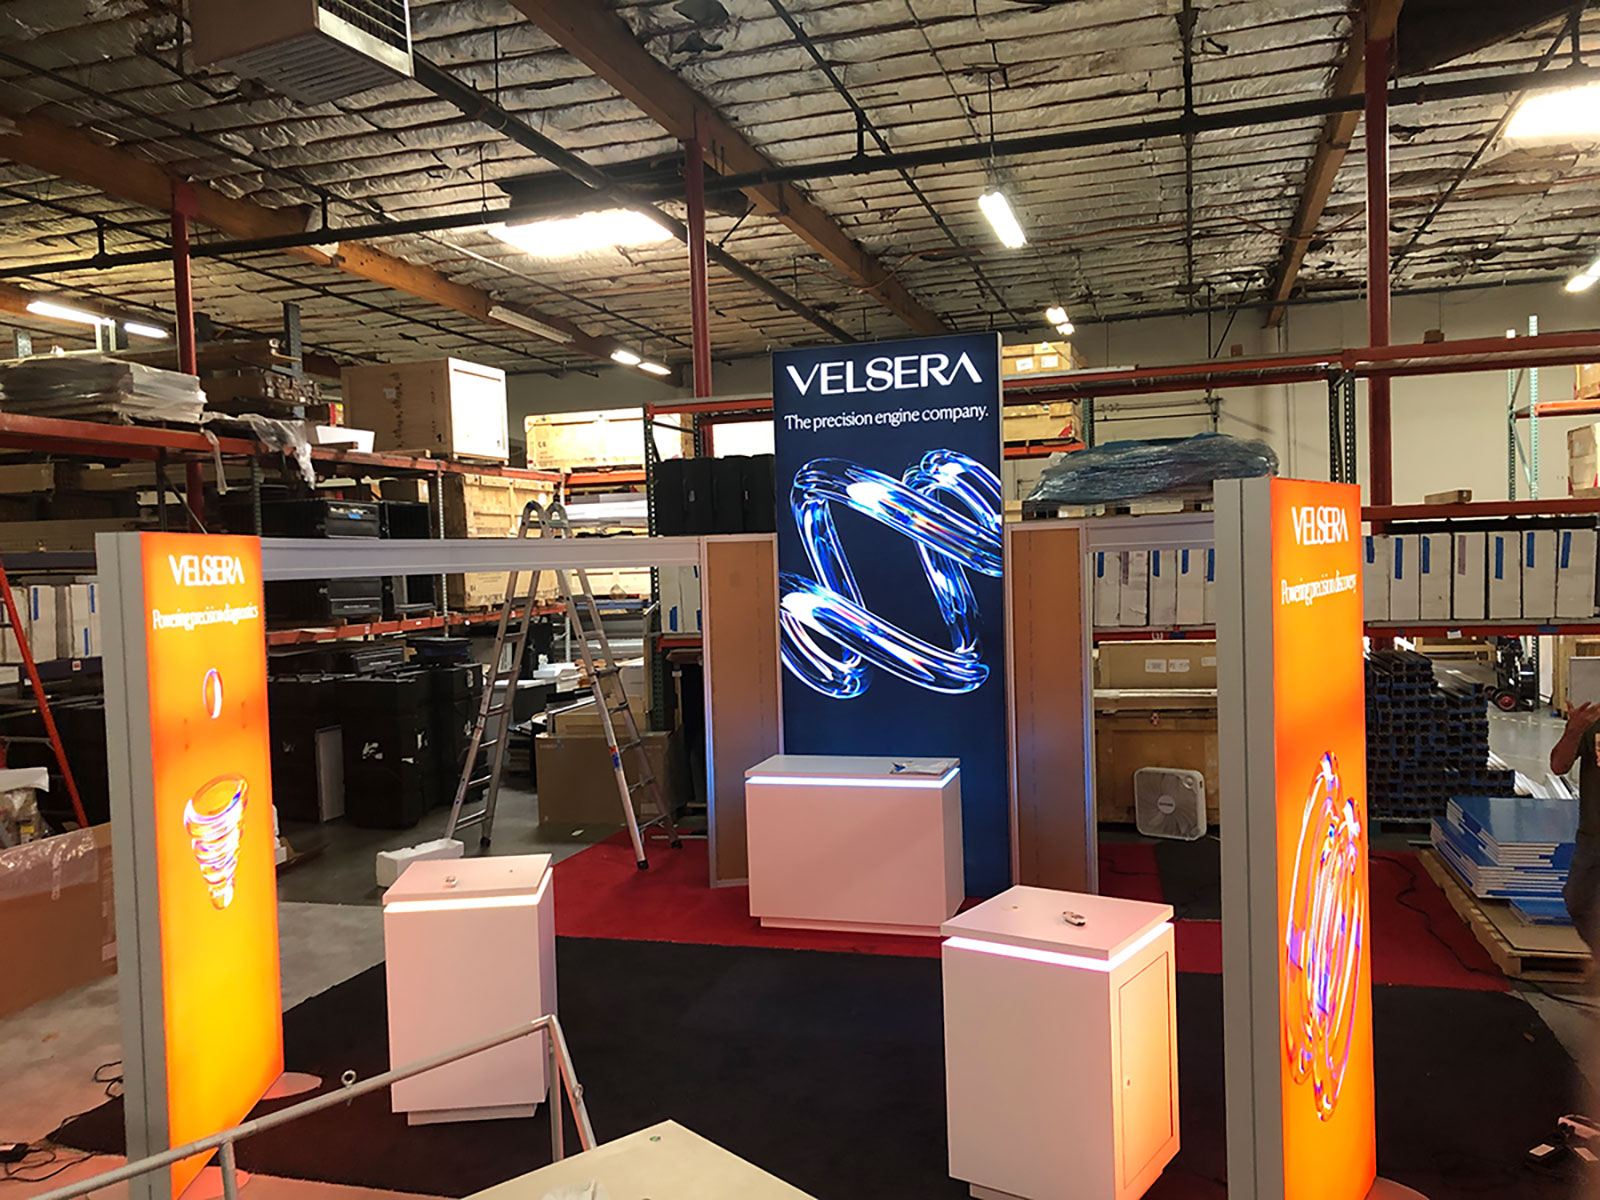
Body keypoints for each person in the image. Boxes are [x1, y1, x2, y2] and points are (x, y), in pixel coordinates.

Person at [1550, 700, 1600, 950]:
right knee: (1576, 902)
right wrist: (1573, 731)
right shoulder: (1592, 720)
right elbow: (1559, 766)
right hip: (1593, 835)